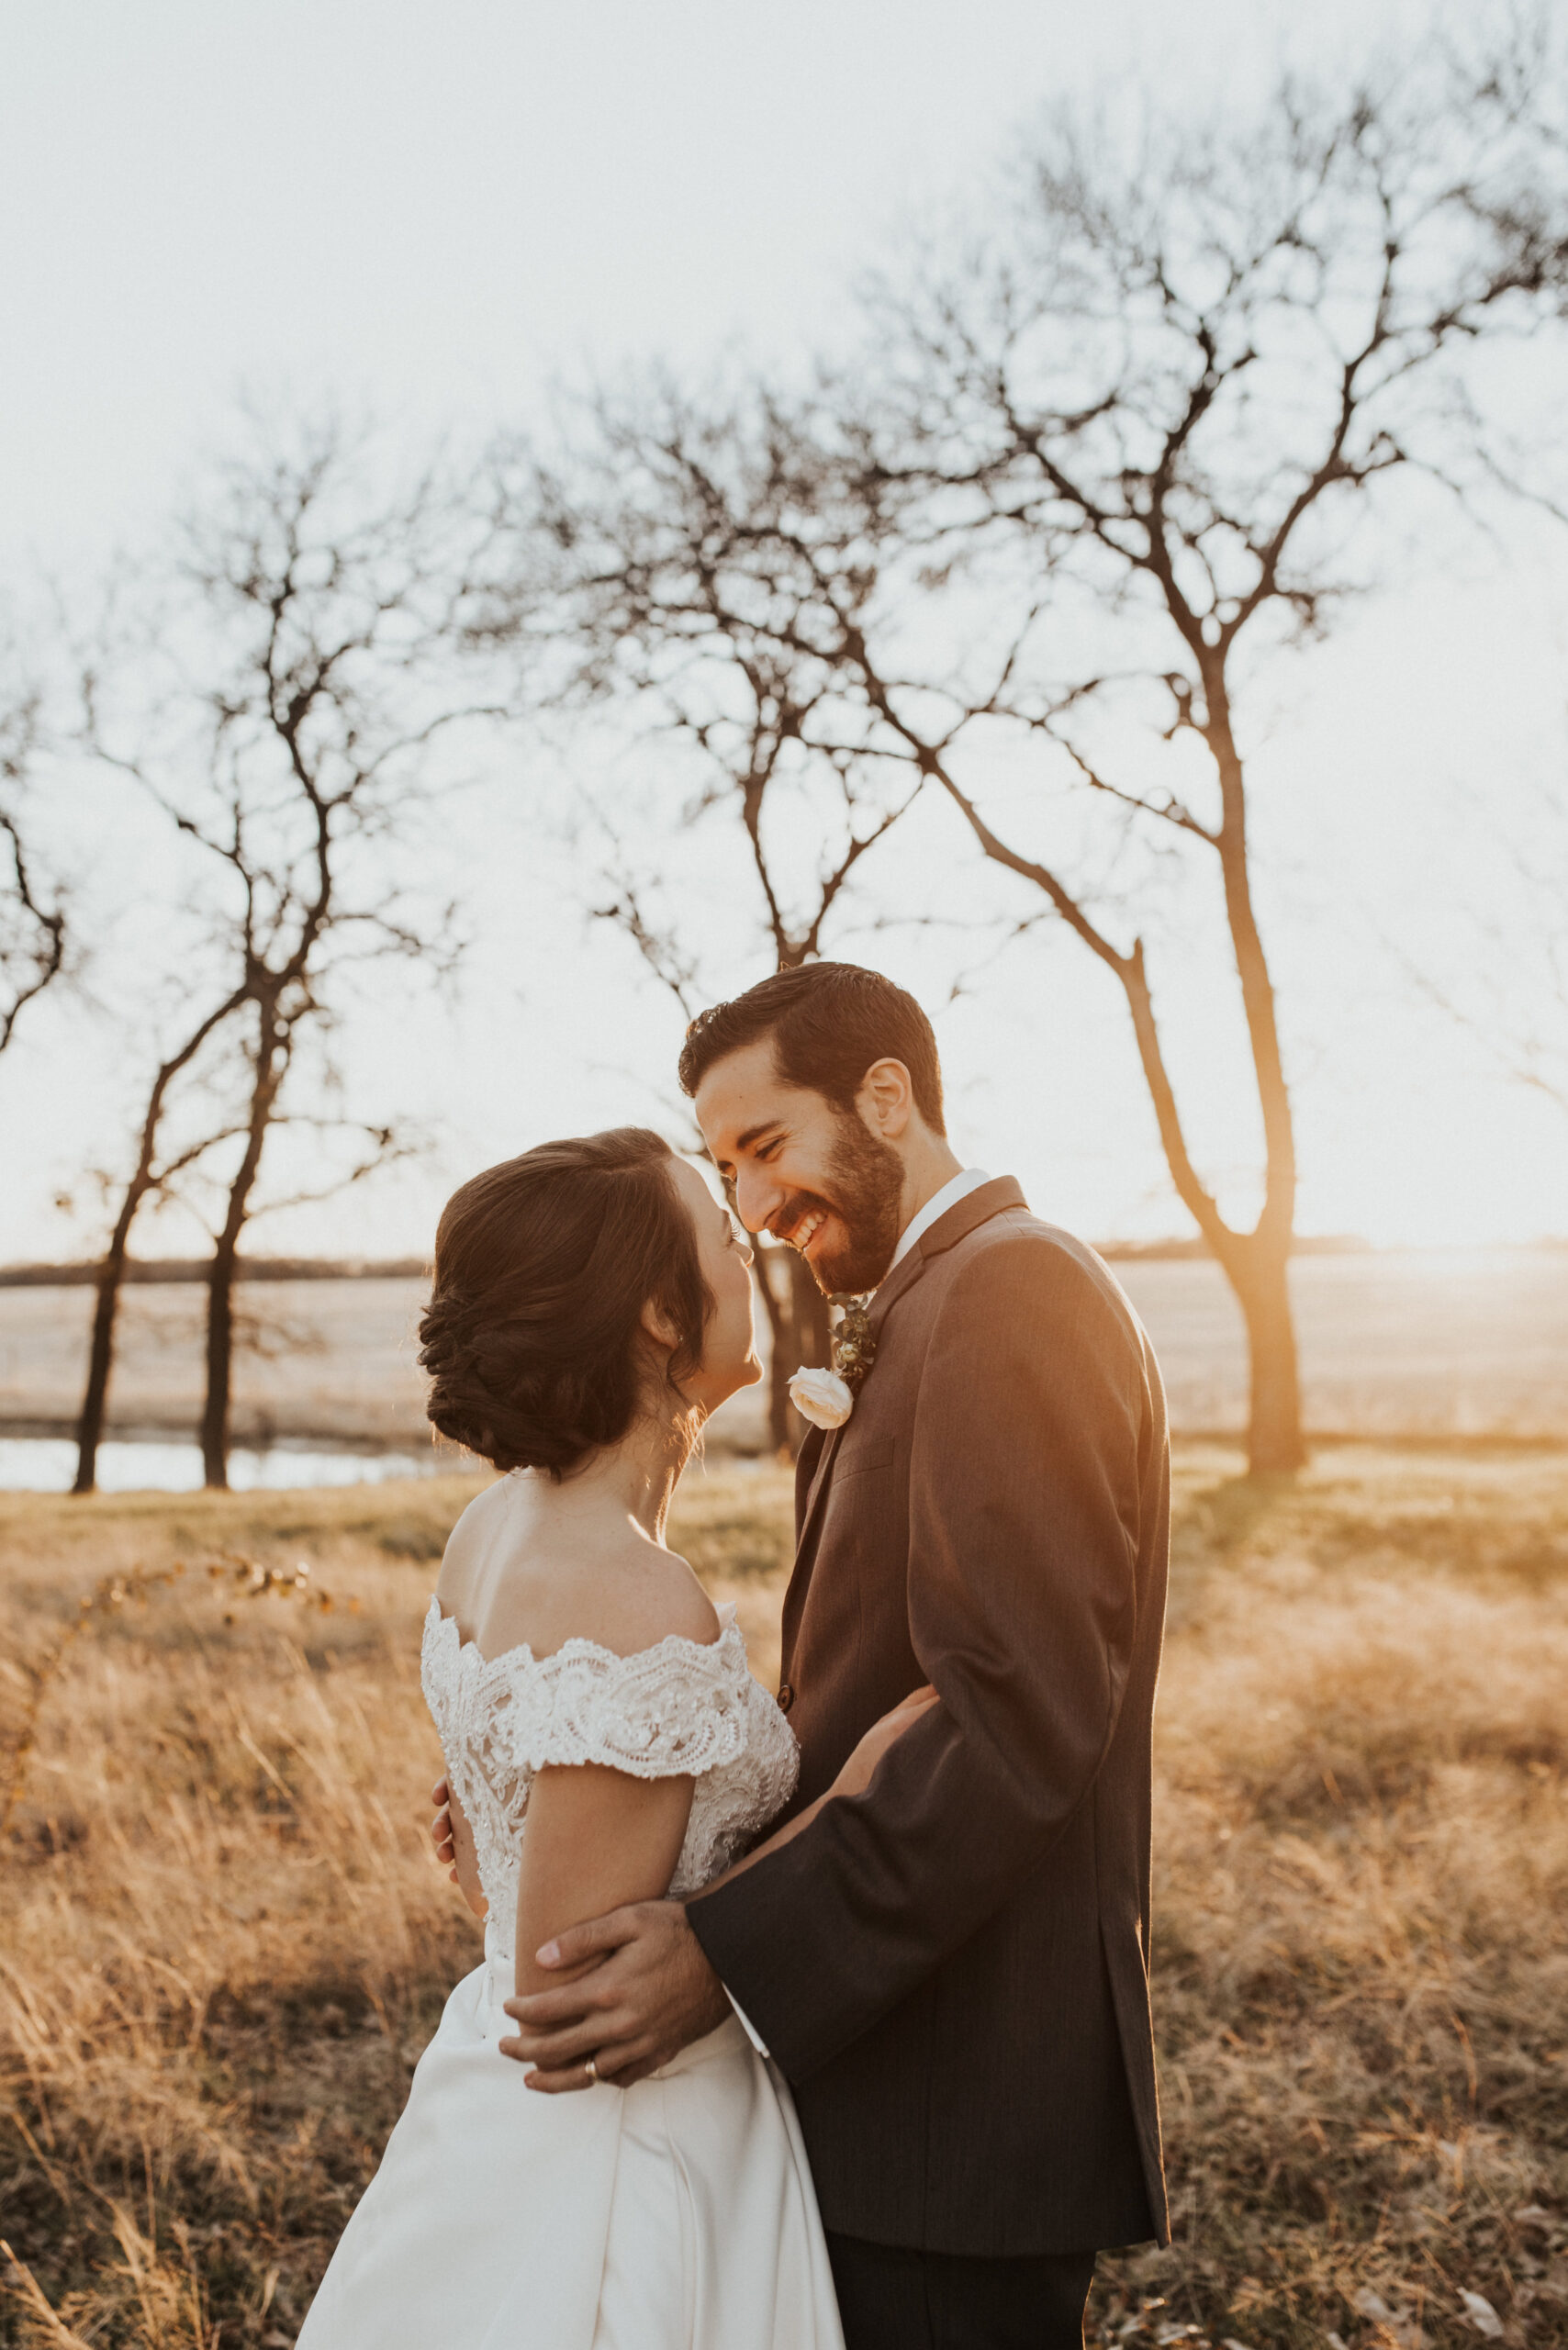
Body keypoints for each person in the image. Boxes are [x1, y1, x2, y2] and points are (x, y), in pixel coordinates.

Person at [497, 965, 1171, 2350]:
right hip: (902, 2074)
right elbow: (874, 1678)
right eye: (725, 1169)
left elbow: (1008, 1716)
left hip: (963, 2098)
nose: (752, 1207)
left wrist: (729, 1957)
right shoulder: (940, 1292)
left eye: (767, 1149)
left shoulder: (1012, 1293)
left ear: (886, 1096)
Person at [299, 1125, 911, 2349]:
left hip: (497, 2066)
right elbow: (571, 1995)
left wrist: (500, 1849)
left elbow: (507, 1855)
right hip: (623, 2158)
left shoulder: (495, 1522)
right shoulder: (635, 1603)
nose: (755, 1254)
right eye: (726, 1240)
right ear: (658, 1316)